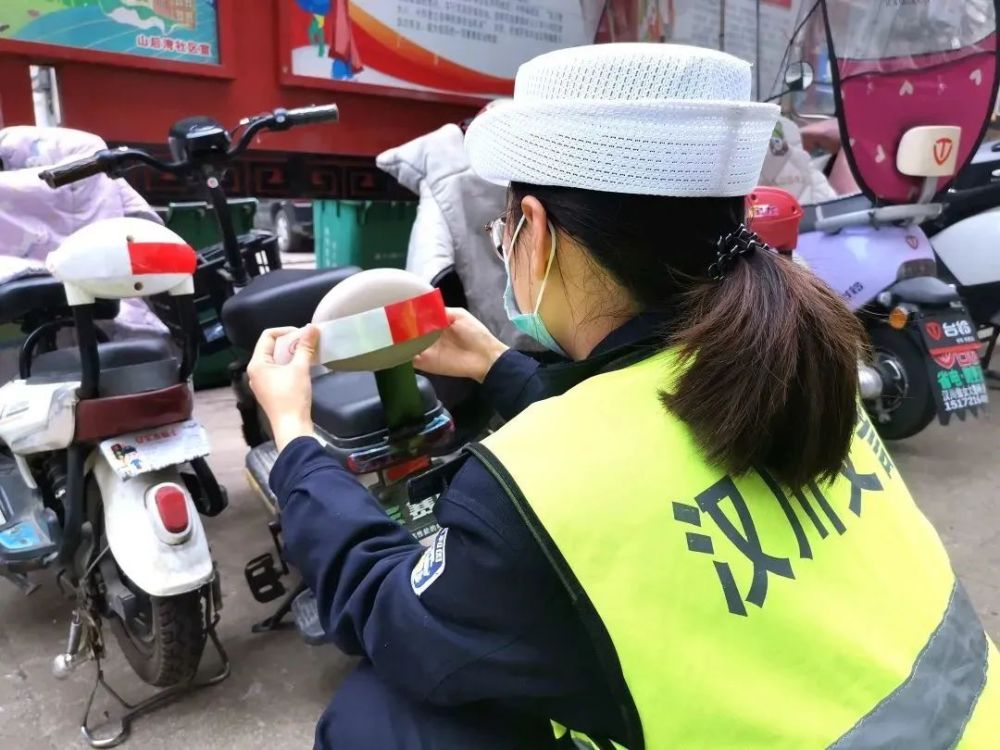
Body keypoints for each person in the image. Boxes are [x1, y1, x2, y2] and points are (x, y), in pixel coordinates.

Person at [248, 44, 1000, 749]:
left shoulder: (529, 490)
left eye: (504, 223)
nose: (505, 238)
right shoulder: (797, 360)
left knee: (374, 716)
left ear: (533, 231)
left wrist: (296, 443)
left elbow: (395, 618)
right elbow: (651, 434)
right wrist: (500, 368)